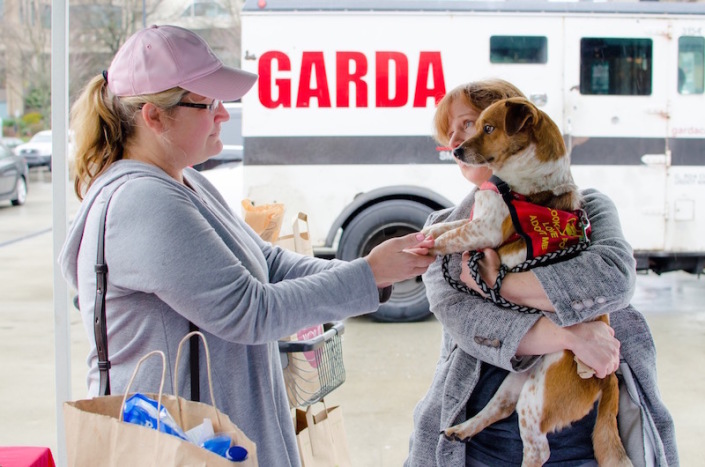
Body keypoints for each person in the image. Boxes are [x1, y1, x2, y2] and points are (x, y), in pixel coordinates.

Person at [58, 25, 435, 467]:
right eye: (208, 103)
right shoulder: (143, 202)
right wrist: (369, 275)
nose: (223, 114)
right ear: (153, 117)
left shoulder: (184, 180)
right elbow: (249, 311)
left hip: (214, 435)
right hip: (183, 444)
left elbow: (266, 261)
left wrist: (375, 270)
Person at [405, 79, 678, 466]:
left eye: (470, 125)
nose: (455, 143)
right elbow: (464, 318)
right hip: (479, 448)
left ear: (518, 126)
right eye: (448, 133)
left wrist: (499, 283)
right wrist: (574, 337)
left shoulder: (585, 207)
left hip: (581, 441)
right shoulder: (441, 227)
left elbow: (614, 278)